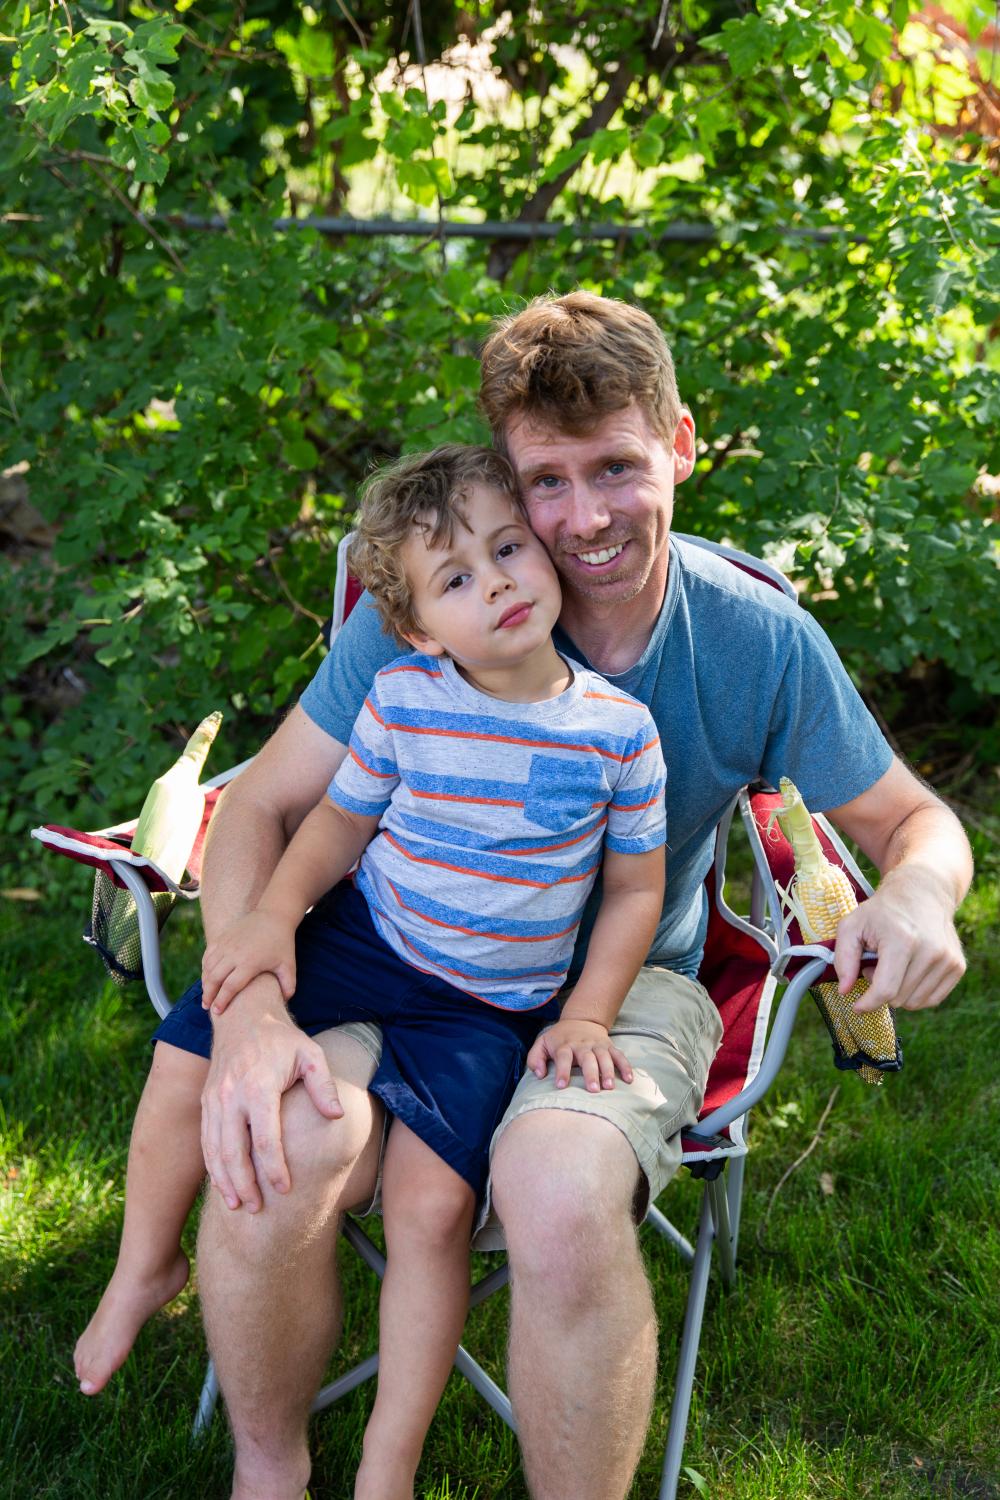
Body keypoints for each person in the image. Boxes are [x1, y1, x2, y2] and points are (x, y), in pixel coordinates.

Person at [192, 292, 972, 1500]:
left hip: (627, 984)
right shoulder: (435, 609)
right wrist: (245, 1008)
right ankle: (270, 1474)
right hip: (405, 956)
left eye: (615, 467)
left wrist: (918, 898)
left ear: (682, 446)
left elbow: (916, 823)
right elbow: (261, 807)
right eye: (543, 482)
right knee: (277, 1140)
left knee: (554, 1188)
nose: (582, 518)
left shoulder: (750, 636)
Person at [73, 445, 669, 1500]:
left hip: (490, 1005)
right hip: (365, 944)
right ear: (411, 625)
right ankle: (141, 1266)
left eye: (507, 550)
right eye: (454, 579)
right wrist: (268, 921)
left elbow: (631, 895)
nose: (495, 582)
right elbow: (337, 823)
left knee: (431, 1212)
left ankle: (385, 1467)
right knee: (187, 1055)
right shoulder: (402, 698)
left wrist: (587, 1013)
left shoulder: (617, 734)